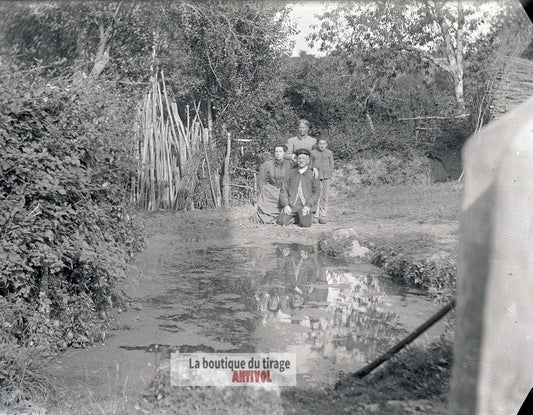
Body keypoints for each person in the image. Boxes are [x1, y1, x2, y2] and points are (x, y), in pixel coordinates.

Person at [277, 148, 320, 227]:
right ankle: (295, 217)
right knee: (281, 222)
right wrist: (286, 205)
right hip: (292, 205)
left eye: (304, 159)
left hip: (305, 206)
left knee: (306, 224)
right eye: (299, 158)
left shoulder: (313, 174)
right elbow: (284, 190)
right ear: (296, 160)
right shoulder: (291, 172)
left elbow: (316, 192)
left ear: (308, 161)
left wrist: (308, 206)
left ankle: (300, 217)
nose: (301, 160)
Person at [250, 144, 291, 224]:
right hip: (270, 192)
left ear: (284, 153)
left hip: (284, 191)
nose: (278, 153)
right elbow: (261, 179)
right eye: (276, 152)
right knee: (265, 214)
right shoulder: (267, 164)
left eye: (280, 151)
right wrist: (263, 191)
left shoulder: (289, 164)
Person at [310, 138, 334, 224]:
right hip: (316, 176)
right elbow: (310, 164)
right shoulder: (313, 153)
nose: (322, 145)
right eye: (320, 144)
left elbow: (331, 164)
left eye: (324, 144)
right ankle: (315, 215)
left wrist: (330, 173)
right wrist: (313, 169)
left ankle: (323, 215)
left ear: (326, 144)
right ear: (317, 144)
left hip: (326, 176)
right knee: (317, 195)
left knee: (325, 196)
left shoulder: (329, 153)